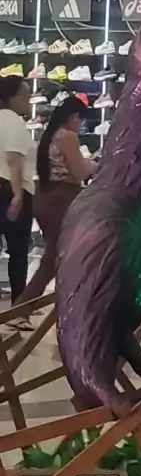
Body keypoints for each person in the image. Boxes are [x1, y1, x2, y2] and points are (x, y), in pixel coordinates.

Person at [16, 96, 98, 306]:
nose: (81, 125)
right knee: (55, 257)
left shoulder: (50, 134)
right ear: (74, 117)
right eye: (81, 120)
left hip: (45, 195)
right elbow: (79, 172)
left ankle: (32, 306)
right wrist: (95, 165)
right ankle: (23, 307)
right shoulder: (68, 136)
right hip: (62, 199)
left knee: (56, 256)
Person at [0, 76, 36, 323]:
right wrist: (17, 195)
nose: (28, 100)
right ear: (11, 96)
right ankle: (17, 310)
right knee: (18, 252)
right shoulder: (14, 122)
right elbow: (14, 161)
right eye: (25, 95)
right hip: (9, 189)